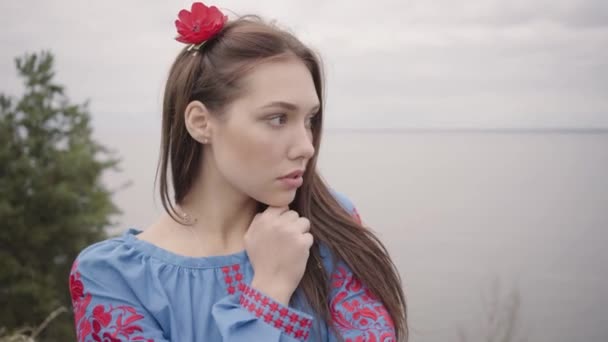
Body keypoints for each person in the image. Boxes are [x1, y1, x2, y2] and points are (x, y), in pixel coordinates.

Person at [68, 2, 407, 341]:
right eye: (277, 118)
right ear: (201, 123)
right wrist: (269, 293)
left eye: (310, 119)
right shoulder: (113, 278)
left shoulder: (330, 226)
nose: (307, 145)